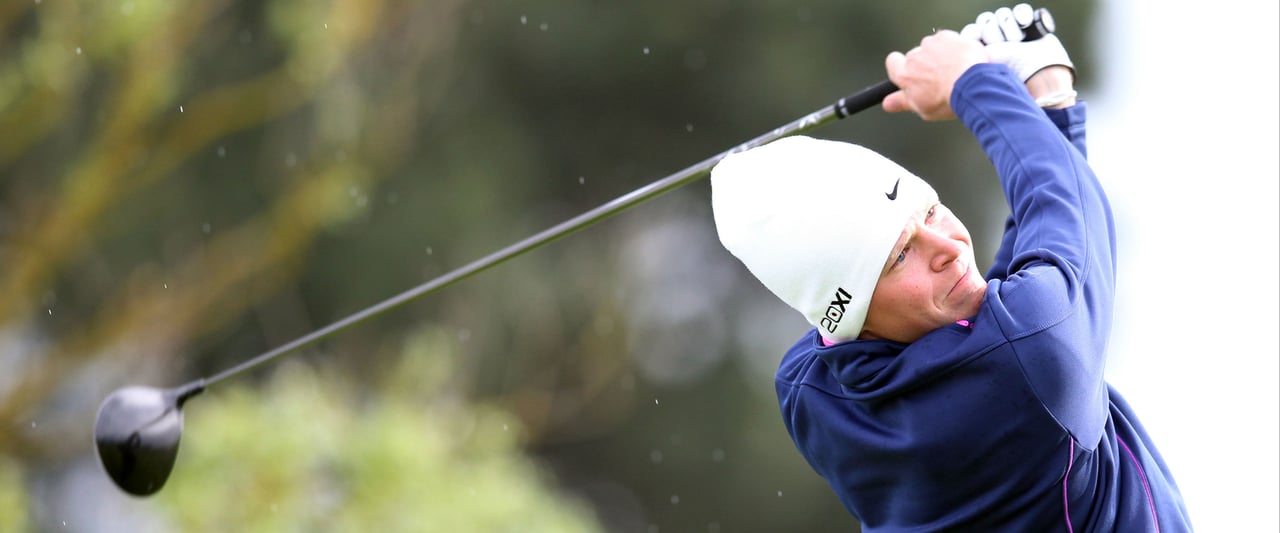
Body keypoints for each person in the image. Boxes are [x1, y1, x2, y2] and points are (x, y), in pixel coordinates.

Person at [709, 6, 1193, 532]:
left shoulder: (812, 396)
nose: (947, 247)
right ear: (853, 315)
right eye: (899, 254)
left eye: (931, 210)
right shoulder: (1029, 363)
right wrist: (982, 85)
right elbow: (1070, 218)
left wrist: (1037, 108)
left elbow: (1022, 305)